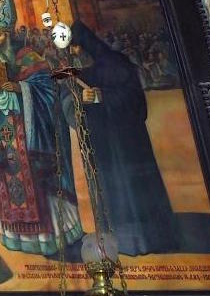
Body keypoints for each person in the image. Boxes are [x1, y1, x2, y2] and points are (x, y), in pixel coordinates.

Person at [0, 0, 83, 257]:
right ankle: (15, 236)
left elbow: (47, 90)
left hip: (29, 133)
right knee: (7, 182)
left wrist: (20, 88)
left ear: (9, 33)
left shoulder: (27, 56)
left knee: (38, 185)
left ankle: (49, 238)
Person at [62, 21, 179, 255]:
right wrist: (78, 100)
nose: (73, 53)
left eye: (75, 47)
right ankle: (117, 238)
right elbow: (66, 99)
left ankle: (148, 240)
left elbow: (136, 102)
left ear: (86, 45)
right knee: (110, 192)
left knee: (133, 192)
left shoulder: (117, 63)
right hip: (101, 144)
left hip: (127, 144)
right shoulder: (79, 71)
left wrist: (100, 96)